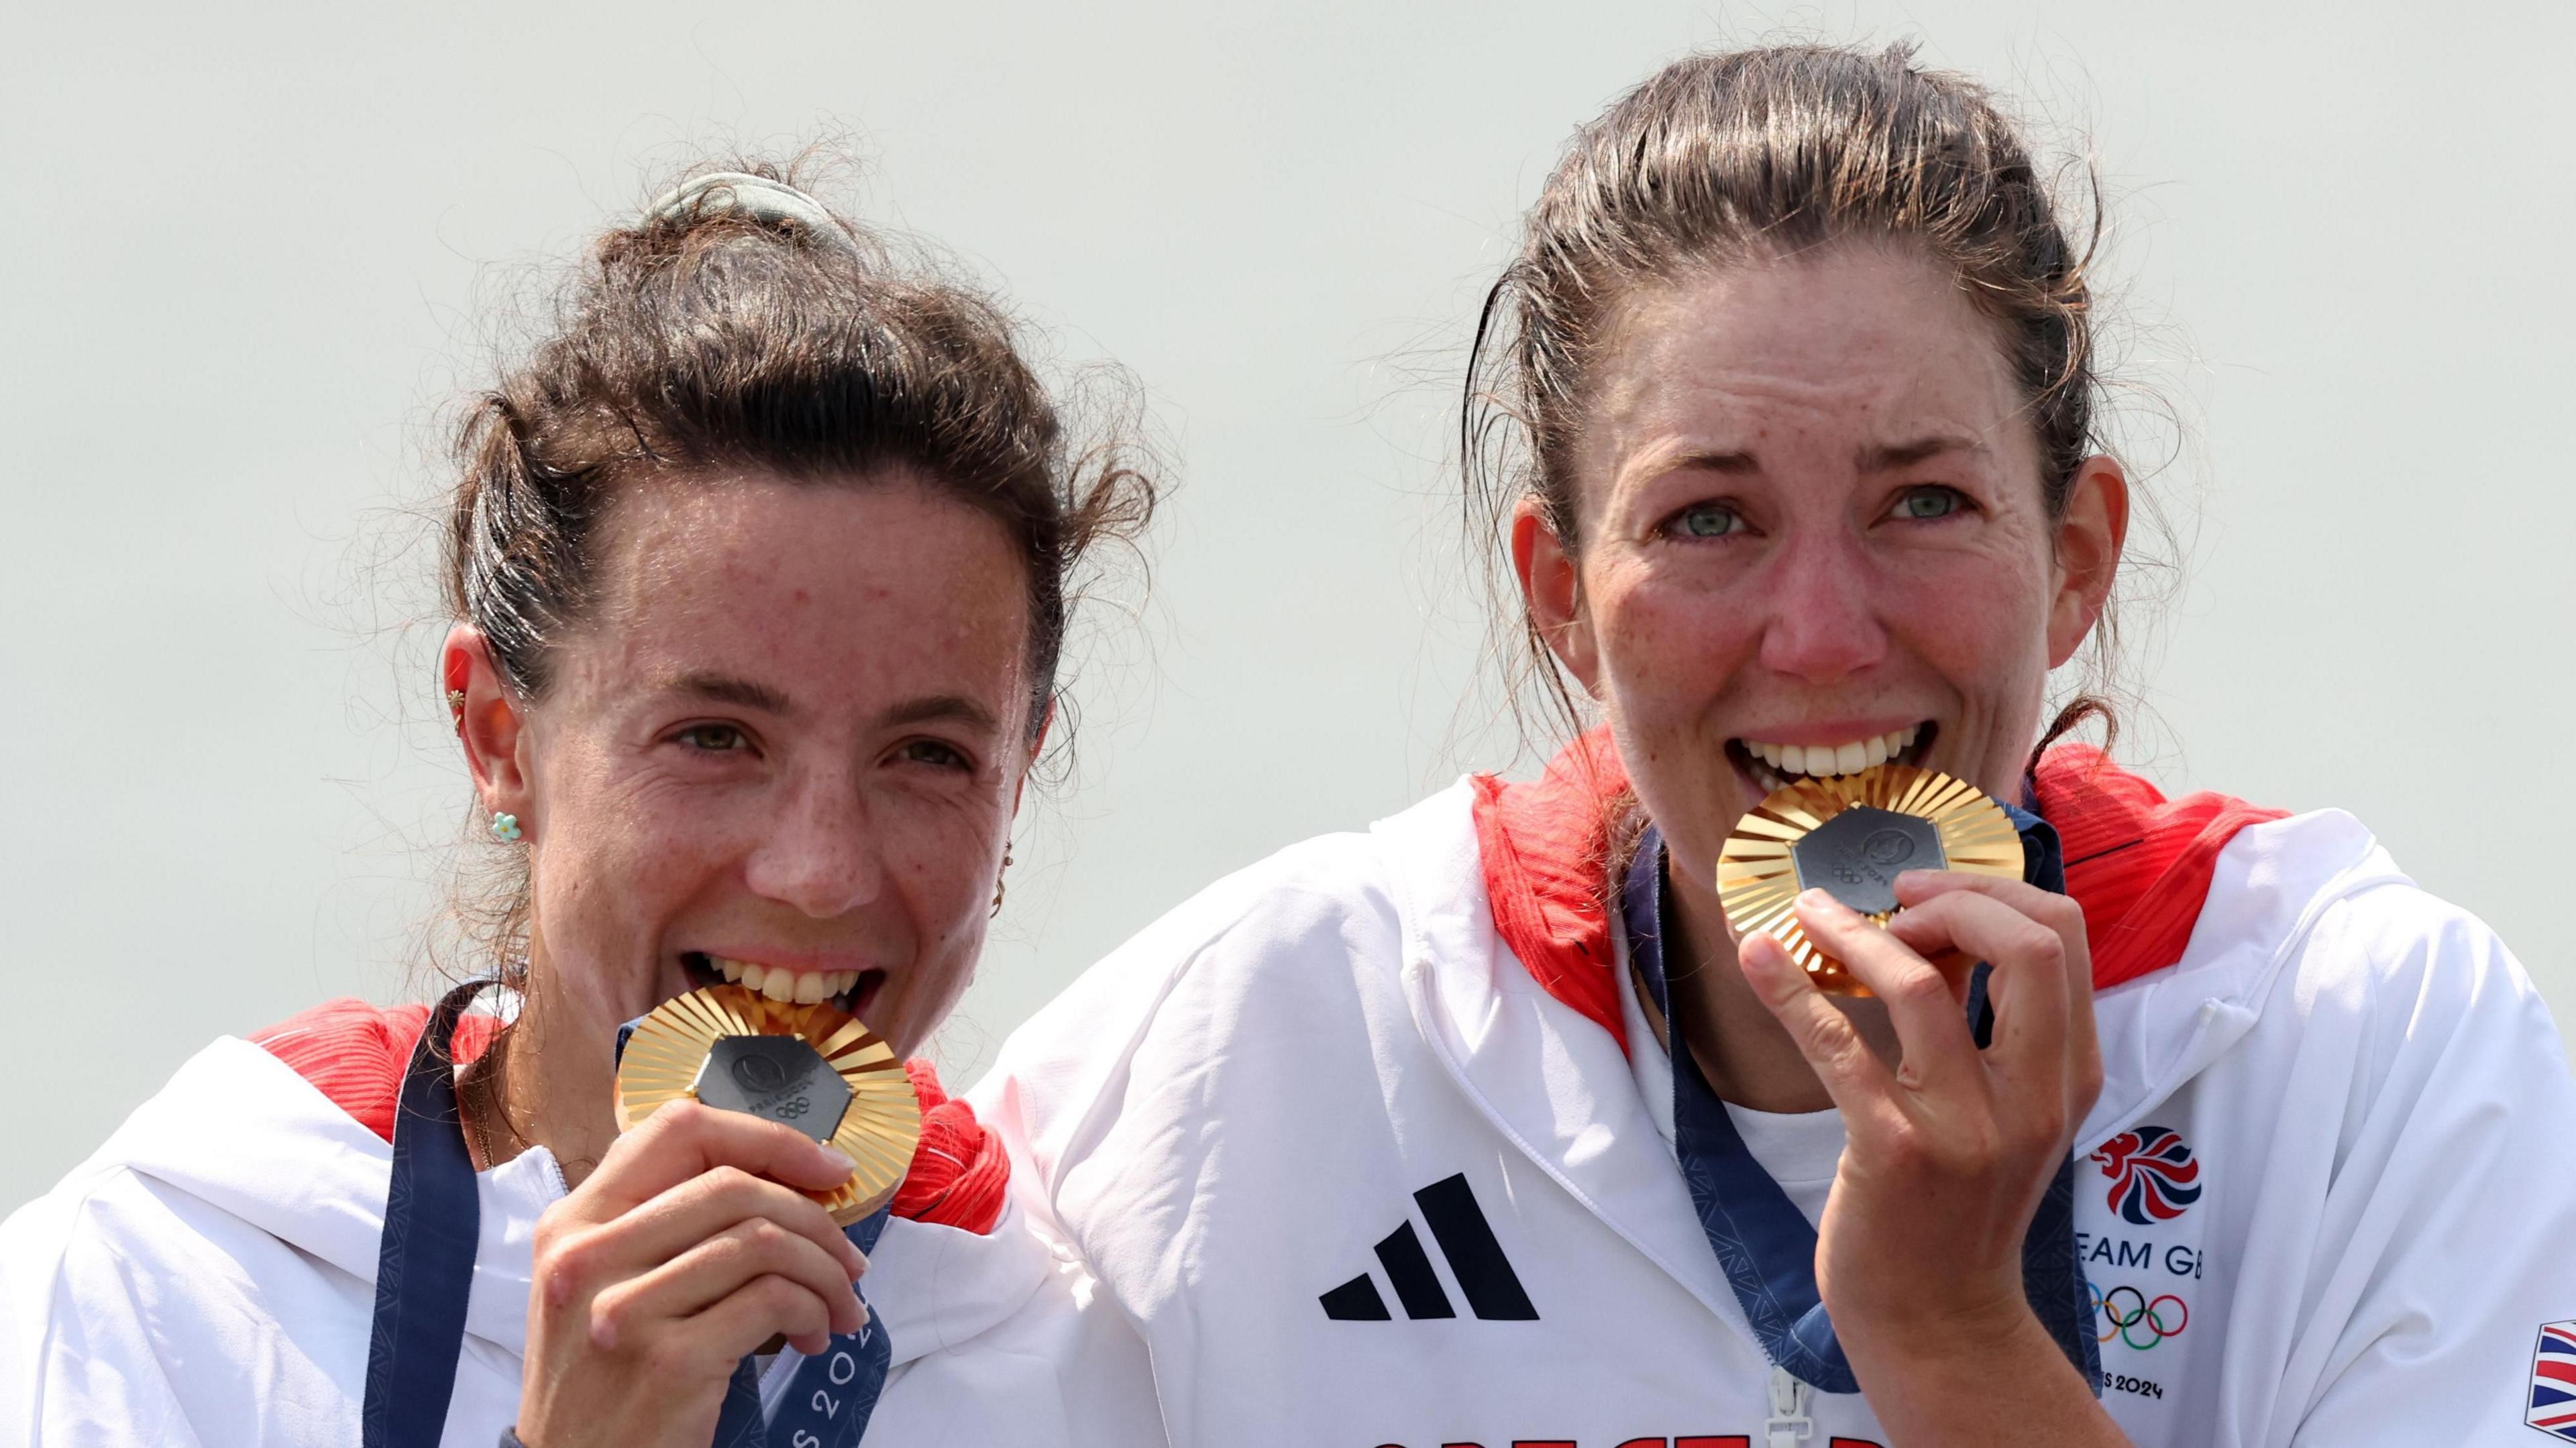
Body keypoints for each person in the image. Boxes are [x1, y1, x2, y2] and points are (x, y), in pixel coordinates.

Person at [964, 43, 2576, 1447]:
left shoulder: (2365, 1044)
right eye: (1710, 517)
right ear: (1562, 598)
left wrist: (1953, 1338)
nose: (1819, 634)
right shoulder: (1259, 1055)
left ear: (2076, 558)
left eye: (1924, 503)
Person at [0, 166, 1165, 1447]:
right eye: (716, 736)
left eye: (929, 755)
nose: (820, 870)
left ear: (1018, 776)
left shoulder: (1087, 1361)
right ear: (501, 738)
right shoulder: (169, 1297)